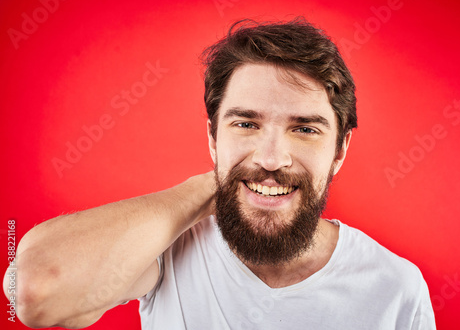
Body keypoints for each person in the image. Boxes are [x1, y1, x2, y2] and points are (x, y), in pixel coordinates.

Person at [3, 18, 436, 329]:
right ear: (213, 138)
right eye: (245, 124)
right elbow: (36, 290)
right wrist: (205, 186)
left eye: (304, 129)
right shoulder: (167, 250)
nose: (271, 157)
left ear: (340, 149)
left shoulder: (395, 288)